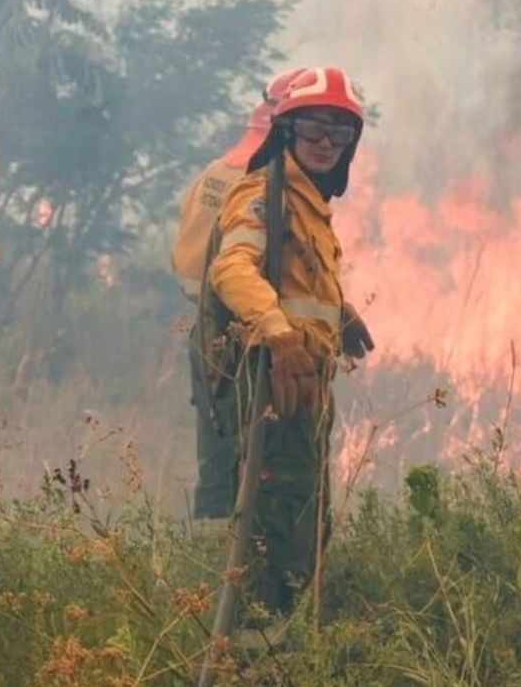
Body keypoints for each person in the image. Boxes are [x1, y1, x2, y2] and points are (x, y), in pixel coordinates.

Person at [197, 66, 375, 633]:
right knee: (277, 525)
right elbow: (234, 268)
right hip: (274, 379)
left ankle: (284, 640)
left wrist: (340, 315)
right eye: (316, 130)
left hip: (308, 381)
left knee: (307, 519)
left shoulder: (309, 204)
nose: (326, 144)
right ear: (288, 130)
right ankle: (254, 650)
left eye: (339, 135)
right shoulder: (263, 193)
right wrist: (278, 334)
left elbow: (298, 279)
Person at [173, 67, 304, 520]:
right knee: (259, 467)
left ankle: (210, 570)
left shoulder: (214, 173)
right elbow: (240, 268)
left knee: (217, 458)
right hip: (250, 342)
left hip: (208, 334)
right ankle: (239, 573)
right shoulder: (262, 185)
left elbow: (187, 266)